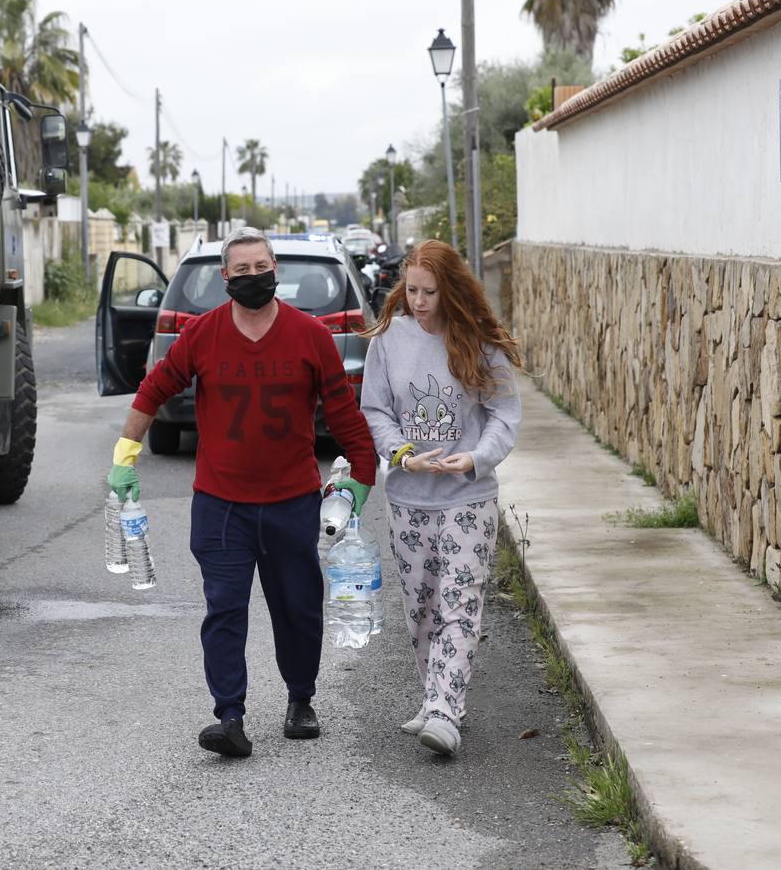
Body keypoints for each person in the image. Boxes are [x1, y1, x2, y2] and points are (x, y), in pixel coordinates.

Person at [108, 228, 376, 759]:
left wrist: (362, 476)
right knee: (224, 609)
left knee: (297, 609)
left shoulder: (310, 336)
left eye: (261, 267)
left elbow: (342, 411)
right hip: (221, 505)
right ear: (224, 277)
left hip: (292, 501)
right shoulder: (203, 335)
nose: (253, 277)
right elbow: (156, 386)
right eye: (242, 270)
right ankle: (229, 716)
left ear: (275, 269)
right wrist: (124, 454)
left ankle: (301, 700)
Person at [359, 239, 522, 757]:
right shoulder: (389, 340)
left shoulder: (478, 341)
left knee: (459, 603)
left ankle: (446, 712)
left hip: (468, 497)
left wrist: (476, 457)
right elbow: (376, 410)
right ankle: (435, 698)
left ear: (449, 289)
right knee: (421, 608)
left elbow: (504, 414)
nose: (420, 301)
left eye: (430, 291)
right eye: (411, 290)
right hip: (408, 496)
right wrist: (401, 452)